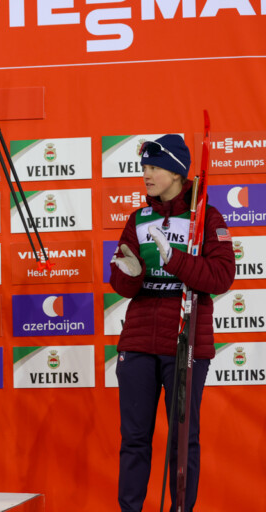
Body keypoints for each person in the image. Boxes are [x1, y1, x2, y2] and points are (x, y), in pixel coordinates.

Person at [110, 134, 235, 511]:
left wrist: (173, 259)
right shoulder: (139, 218)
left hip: (187, 339)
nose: (145, 174)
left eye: (154, 167)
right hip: (138, 340)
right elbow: (123, 285)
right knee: (134, 438)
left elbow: (221, 277)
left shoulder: (206, 217)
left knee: (183, 439)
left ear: (178, 173)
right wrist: (129, 272)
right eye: (144, 167)